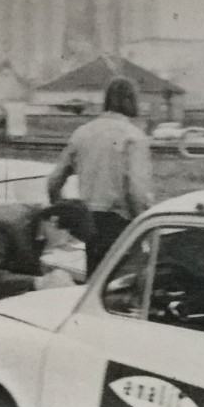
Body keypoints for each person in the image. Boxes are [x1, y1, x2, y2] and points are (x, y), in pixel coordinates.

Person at [47, 77, 155, 276]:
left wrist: (66, 213)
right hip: (120, 224)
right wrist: (144, 230)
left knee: (95, 282)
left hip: (89, 222)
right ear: (130, 100)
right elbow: (136, 192)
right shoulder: (134, 136)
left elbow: (53, 182)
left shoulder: (81, 133)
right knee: (125, 285)